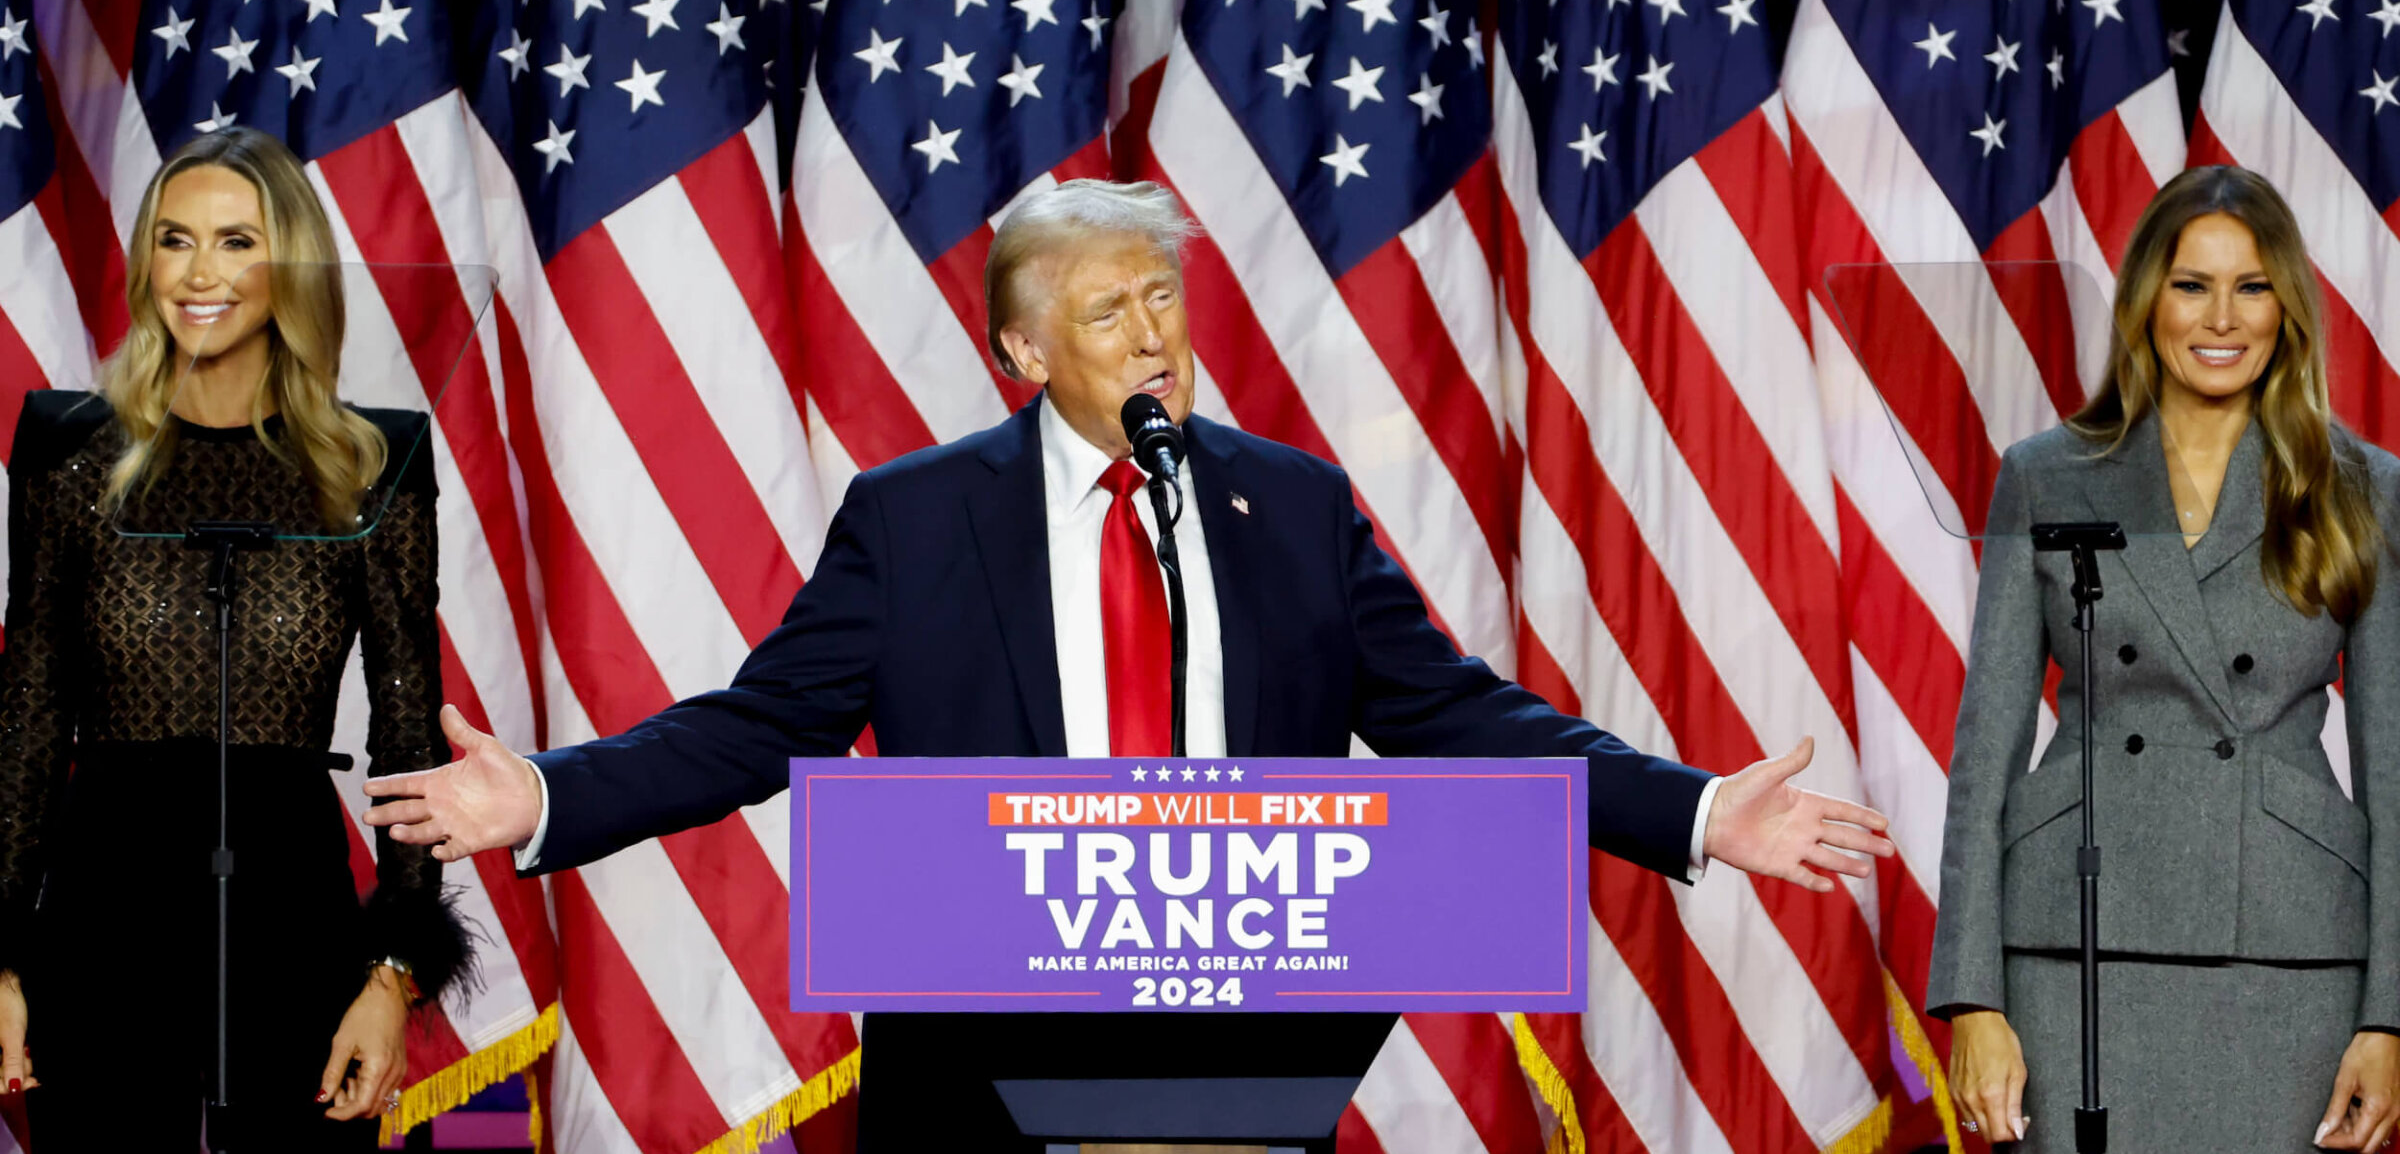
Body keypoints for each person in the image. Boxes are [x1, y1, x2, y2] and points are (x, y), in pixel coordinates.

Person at [365, 179, 1891, 1148]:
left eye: (1163, 296)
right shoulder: (916, 519)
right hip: (977, 1049)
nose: (1153, 331)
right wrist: (549, 800)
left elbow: (1451, 712)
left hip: (1235, 1045)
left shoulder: (1286, 502)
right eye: (1108, 309)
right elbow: (766, 723)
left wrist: (1696, 813)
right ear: (1025, 354)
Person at [0, 128, 469, 1148]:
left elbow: (408, 737)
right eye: (175, 240)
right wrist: (1, 957)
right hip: (100, 914)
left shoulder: (370, 463)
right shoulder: (72, 454)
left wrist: (392, 974)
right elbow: (29, 716)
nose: (199, 274)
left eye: (235, 242)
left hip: (290, 910)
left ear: (289, 267)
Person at [1930, 166, 2400, 1152]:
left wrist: (2388, 1014)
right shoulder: (2046, 476)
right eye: (2192, 284)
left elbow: (2397, 774)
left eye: (2252, 286)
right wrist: (1973, 996)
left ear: (2287, 308)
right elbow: (1986, 755)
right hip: (2073, 954)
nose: (2220, 316)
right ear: (2148, 299)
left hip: (2287, 957)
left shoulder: (2364, 489)